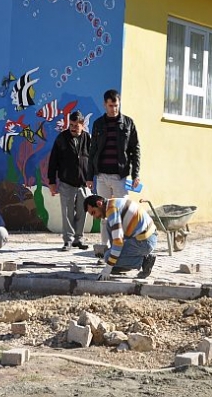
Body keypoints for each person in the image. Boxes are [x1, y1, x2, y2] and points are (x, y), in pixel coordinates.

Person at [86, 89, 141, 245]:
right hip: (101, 176)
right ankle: (105, 248)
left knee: (122, 214)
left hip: (120, 177)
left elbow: (135, 150)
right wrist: (89, 177)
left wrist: (136, 174)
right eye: (110, 106)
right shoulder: (98, 124)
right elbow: (92, 151)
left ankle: (122, 249)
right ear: (105, 105)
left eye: (116, 105)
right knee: (104, 215)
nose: (114, 109)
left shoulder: (128, 123)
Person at [84, 194, 157, 280]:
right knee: (108, 225)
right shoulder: (112, 203)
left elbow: (118, 242)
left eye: (94, 212)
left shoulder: (112, 210)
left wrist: (108, 268)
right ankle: (119, 262)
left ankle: (144, 261)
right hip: (146, 236)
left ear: (99, 203)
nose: (95, 217)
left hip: (145, 242)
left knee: (107, 257)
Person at [47, 110, 91, 251]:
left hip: (83, 183)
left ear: (82, 125)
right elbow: (53, 160)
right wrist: (52, 181)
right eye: (71, 125)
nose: (73, 128)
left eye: (76, 125)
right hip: (66, 182)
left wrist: (91, 178)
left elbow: (93, 160)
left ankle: (78, 239)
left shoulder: (88, 138)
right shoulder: (62, 138)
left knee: (82, 212)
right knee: (67, 213)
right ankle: (68, 241)